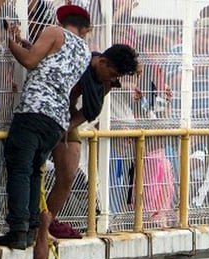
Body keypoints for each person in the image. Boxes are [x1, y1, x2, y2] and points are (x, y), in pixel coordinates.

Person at [0, 4, 91, 250]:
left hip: (34, 109)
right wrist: (28, 44)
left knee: (19, 168)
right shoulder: (84, 51)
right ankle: (30, 230)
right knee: (35, 172)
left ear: (61, 20)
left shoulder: (53, 32)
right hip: (58, 121)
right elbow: (52, 64)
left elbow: (30, 61)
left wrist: (10, 42)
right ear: (85, 29)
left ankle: (17, 229)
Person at [45, 44, 140, 238]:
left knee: (69, 172)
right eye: (112, 74)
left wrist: (67, 127)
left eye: (117, 77)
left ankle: (46, 223)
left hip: (66, 115)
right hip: (45, 109)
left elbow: (89, 111)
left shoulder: (106, 83)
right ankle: (30, 222)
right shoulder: (78, 61)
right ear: (102, 62)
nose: (113, 80)